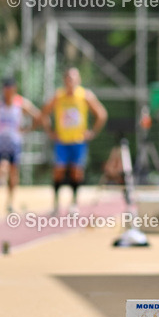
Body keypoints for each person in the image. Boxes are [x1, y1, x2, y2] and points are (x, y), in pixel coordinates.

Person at [41, 68, 108, 214]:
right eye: (68, 78)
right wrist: (50, 132)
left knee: (76, 171)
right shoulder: (58, 96)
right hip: (62, 141)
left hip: (78, 141)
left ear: (78, 80)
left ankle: (74, 202)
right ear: (64, 80)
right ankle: (56, 203)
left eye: (73, 79)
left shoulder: (85, 96)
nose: (70, 82)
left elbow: (101, 114)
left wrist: (92, 132)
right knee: (59, 170)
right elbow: (44, 114)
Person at [0, 77, 42, 215]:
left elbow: (38, 116)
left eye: (10, 89)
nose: (7, 92)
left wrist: (28, 129)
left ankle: (10, 204)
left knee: (13, 173)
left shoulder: (21, 103)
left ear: (14, 89)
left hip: (14, 143)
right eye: (5, 89)